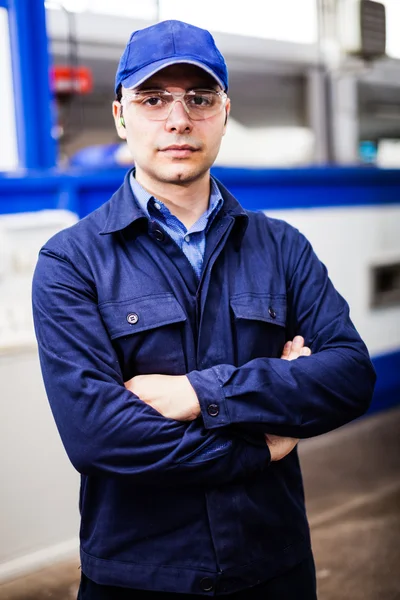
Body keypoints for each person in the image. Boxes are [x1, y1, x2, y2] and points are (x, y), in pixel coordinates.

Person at [32, 19, 376, 600]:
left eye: (199, 98)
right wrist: (262, 440)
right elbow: (98, 436)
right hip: (139, 579)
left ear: (224, 112)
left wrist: (202, 394)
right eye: (152, 98)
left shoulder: (281, 246)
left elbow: (349, 376)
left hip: (275, 569)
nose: (177, 119)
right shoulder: (72, 261)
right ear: (120, 114)